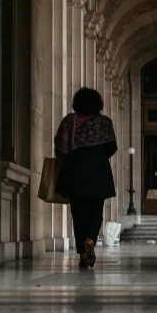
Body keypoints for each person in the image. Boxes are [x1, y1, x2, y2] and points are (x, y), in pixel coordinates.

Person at [54, 87, 117, 270]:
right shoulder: (105, 122)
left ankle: (83, 255)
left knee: (78, 214)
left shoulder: (69, 121)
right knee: (96, 212)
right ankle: (90, 239)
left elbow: (62, 147)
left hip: (75, 171)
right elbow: (111, 148)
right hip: (98, 172)